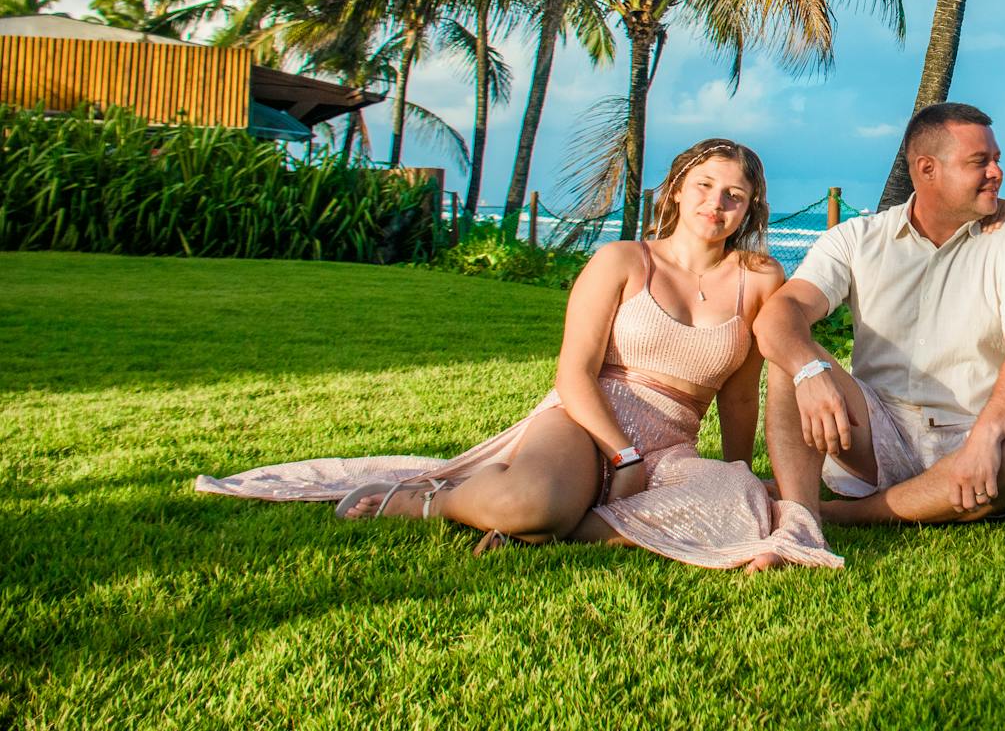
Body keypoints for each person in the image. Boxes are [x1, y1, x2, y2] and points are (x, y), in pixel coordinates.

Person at [196, 139, 841, 572]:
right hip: (588, 420)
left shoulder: (759, 278)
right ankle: (429, 501)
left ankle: (566, 516)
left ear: (751, 206)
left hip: (673, 440)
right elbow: (574, 373)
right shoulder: (622, 261)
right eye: (704, 186)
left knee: (744, 502)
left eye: (734, 194)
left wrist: (728, 476)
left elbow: (737, 391)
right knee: (532, 505)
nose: (716, 204)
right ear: (674, 191)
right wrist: (623, 453)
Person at [754, 102, 1005, 525]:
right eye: (979, 162)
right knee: (792, 353)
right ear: (927, 169)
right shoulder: (858, 238)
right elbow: (779, 313)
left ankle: (843, 515)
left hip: (969, 432)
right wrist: (809, 371)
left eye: (996, 159)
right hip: (870, 431)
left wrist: (986, 436)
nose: (996, 173)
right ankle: (801, 521)